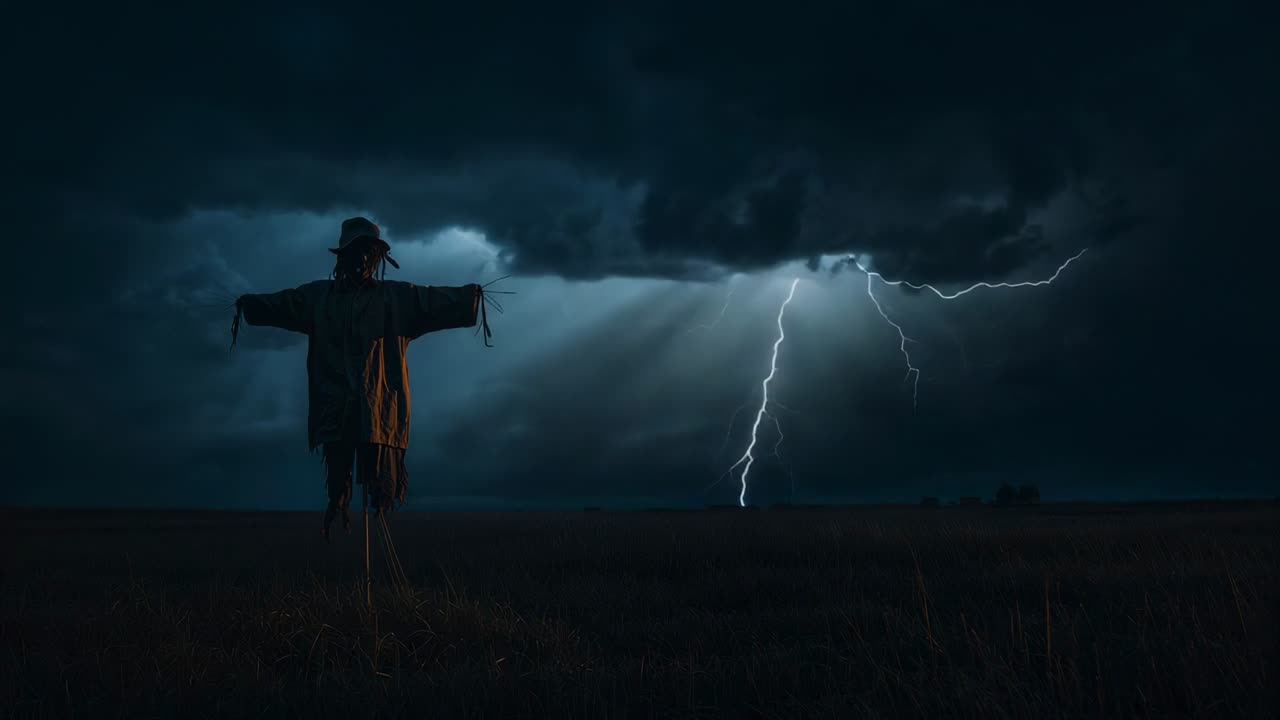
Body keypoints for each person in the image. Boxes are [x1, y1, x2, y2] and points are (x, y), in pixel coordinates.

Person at [234, 217, 481, 540]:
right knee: (339, 479)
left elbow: (433, 300)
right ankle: (338, 512)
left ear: (378, 258)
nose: (362, 260)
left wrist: (469, 297)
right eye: (355, 252)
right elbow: (284, 303)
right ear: (342, 257)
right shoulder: (319, 298)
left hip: (379, 411)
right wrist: (251, 305)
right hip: (337, 408)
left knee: (378, 486)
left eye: (369, 253)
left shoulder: (397, 298)